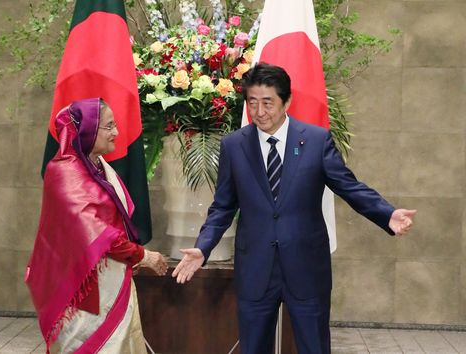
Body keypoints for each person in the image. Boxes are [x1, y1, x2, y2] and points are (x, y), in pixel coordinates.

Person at [172, 64, 417, 354]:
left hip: (306, 266)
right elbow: (223, 207)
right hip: (256, 267)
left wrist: (386, 213)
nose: (259, 112)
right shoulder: (234, 146)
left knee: (314, 346)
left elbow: (349, 186)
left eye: (267, 103)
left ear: (286, 102)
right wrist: (203, 247)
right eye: (252, 103)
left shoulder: (316, 140)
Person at [26, 98, 167, 353]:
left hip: (112, 281)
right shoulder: (65, 172)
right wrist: (143, 256)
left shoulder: (99, 166)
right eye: (110, 126)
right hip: (84, 294)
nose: (117, 133)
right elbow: (99, 233)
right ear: (89, 129)